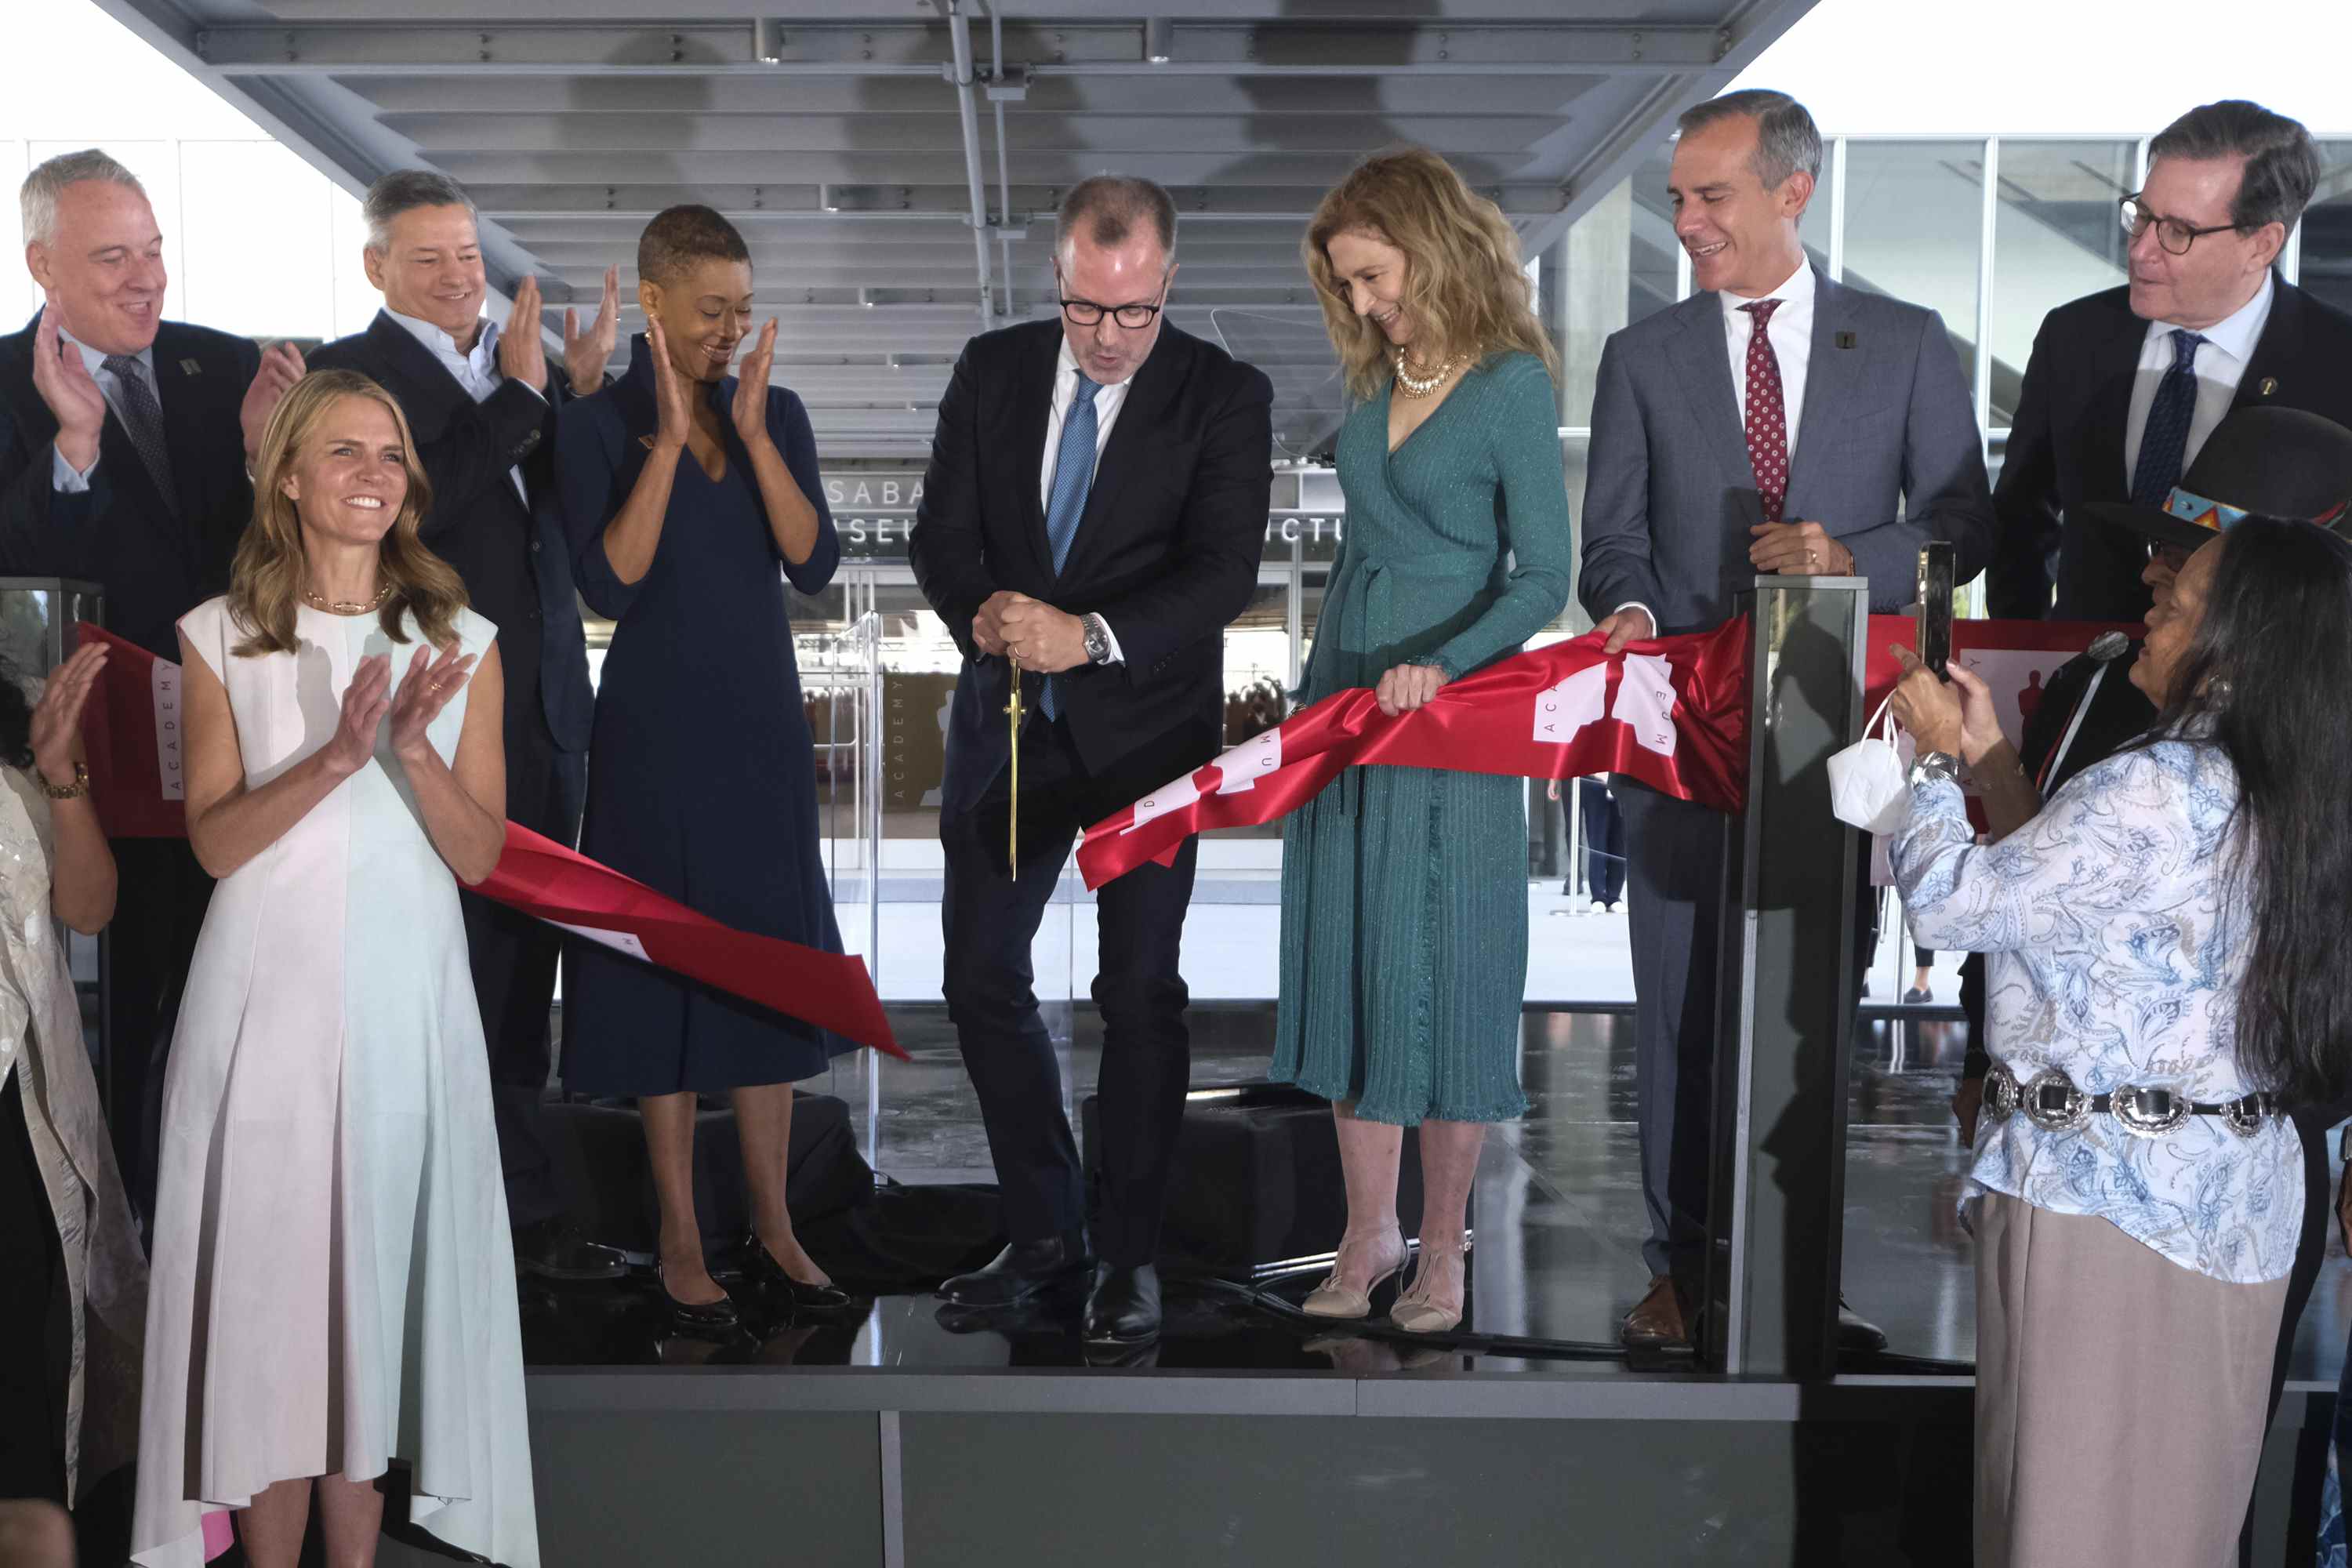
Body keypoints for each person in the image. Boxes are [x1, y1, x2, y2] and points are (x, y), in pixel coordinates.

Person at [1579, 88, 1994, 1349]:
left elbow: (1964, 527)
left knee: (1817, 1011)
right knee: (1677, 1007)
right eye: (1678, 199)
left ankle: (1797, 1266)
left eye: (1711, 196)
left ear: (1791, 191)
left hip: (1840, 749)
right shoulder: (1641, 356)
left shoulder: (1910, 342)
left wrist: (1846, 550)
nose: (1687, 221)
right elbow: (1612, 546)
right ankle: (1680, 1270)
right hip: (1680, 739)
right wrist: (1633, 618)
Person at [1888, 511, 2352, 1566]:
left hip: (2103, 1200)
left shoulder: (2160, 786)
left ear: (2237, 639)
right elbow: (2065, 901)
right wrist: (1995, 764)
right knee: (2173, 1530)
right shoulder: (2303, 777)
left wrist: (1918, 774)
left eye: (2176, 605)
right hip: (2233, 1199)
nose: (2150, 614)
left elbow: (1962, 908)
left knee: (2069, 1526)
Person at [131, 370, 535, 1567]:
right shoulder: (218, 635)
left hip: (408, 1003)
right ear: (291, 476)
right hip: (262, 1010)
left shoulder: (462, 644)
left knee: (372, 1300)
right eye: (347, 451)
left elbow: (479, 860)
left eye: (392, 454)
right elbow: (213, 842)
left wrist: (409, 751)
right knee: (267, 1315)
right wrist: (333, 758)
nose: (374, 473)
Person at [909, 174, 1272, 1347]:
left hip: (1148, 741)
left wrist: (1091, 637)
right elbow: (938, 536)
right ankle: (1048, 1232)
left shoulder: (1224, 394)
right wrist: (987, 613)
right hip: (1007, 729)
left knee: (1140, 999)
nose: (1109, 338)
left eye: (1133, 313)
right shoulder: (991, 370)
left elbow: (1222, 571)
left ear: (1167, 281)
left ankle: (1130, 1260)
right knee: (980, 981)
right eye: (1084, 310)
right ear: (1056, 278)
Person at [1270, 148, 1572, 1336]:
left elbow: (1541, 576)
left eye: (1374, 275)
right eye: (1345, 286)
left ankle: (1443, 1247)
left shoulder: (1509, 387)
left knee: (1443, 978)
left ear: (1433, 246)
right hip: (1348, 706)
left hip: (1451, 723)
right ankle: (1366, 1234)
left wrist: (1445, 667)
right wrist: (1311, 698)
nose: (1362, 304)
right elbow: (1358, 557)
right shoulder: (1371, 388)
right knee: (1353, 969)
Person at [308, 169, 620, 1283]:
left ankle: (517, 1210)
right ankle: (454, 1219)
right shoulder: (355, 376)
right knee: (448, 969)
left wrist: (570, 399)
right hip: (429, 723)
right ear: (377, 268)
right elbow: (408, 499)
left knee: (523, 968)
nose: (458, 279)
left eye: (468, 257)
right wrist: (530, 403)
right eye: (430, 259)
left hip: (539, 709)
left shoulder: (507, 371)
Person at [555, 205, 851, 1333]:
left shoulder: (776, 412)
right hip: (651, 733)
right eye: (712, 310)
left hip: (762, 731)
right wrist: (672, 443)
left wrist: (755, 434)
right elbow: (611, 586)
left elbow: (813, 560)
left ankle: (775, 1225)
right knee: (663, 976)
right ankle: (681, 1233)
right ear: (656, 303)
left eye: (741, 308)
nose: (732, 328)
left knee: (766, 967)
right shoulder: (598, 423)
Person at [0, 149, 303, 1220]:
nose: (146, 278)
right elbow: (17, 581)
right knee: (129, 1032)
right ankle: (132, 1255)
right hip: (89, 776)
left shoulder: (226, 369)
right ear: (42, 264)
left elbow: (289, 563)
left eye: (155, 251)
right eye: (113, 257)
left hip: (243, 756)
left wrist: (277, 462)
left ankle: (249, 1224)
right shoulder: (2, 385)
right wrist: (74, 450)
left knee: (253, 1012)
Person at [1988, 100, 2352, 622]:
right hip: (2083, 676)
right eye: (2143, 216)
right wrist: (2021, 655)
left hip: (2248, 691)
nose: (2140, 251)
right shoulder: (2074, 336)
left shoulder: (2338, 362)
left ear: (2262, 244)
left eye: (2178, 232)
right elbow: (2021, 521)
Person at [0, 644, 144, 1527]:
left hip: (14, 1113)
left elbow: (91, 906)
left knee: (21, 1419)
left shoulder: (23, 730)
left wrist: (59, 773)